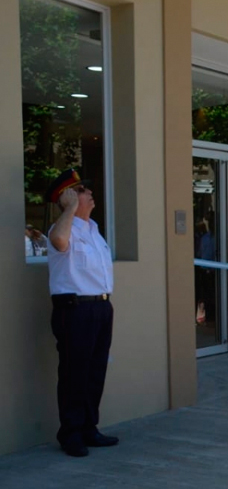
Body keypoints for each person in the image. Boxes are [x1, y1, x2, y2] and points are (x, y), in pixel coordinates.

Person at [44, 168, 118, 457]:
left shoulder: (94, 229)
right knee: (75, 372)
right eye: (83, 190)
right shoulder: (62, 228)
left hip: (100, 306)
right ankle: (71, 433)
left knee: (95, 371)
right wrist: (70, 209)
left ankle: (89, 428)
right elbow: (60, 243)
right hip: (74, 308)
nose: (90, 194)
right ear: (71, 197)